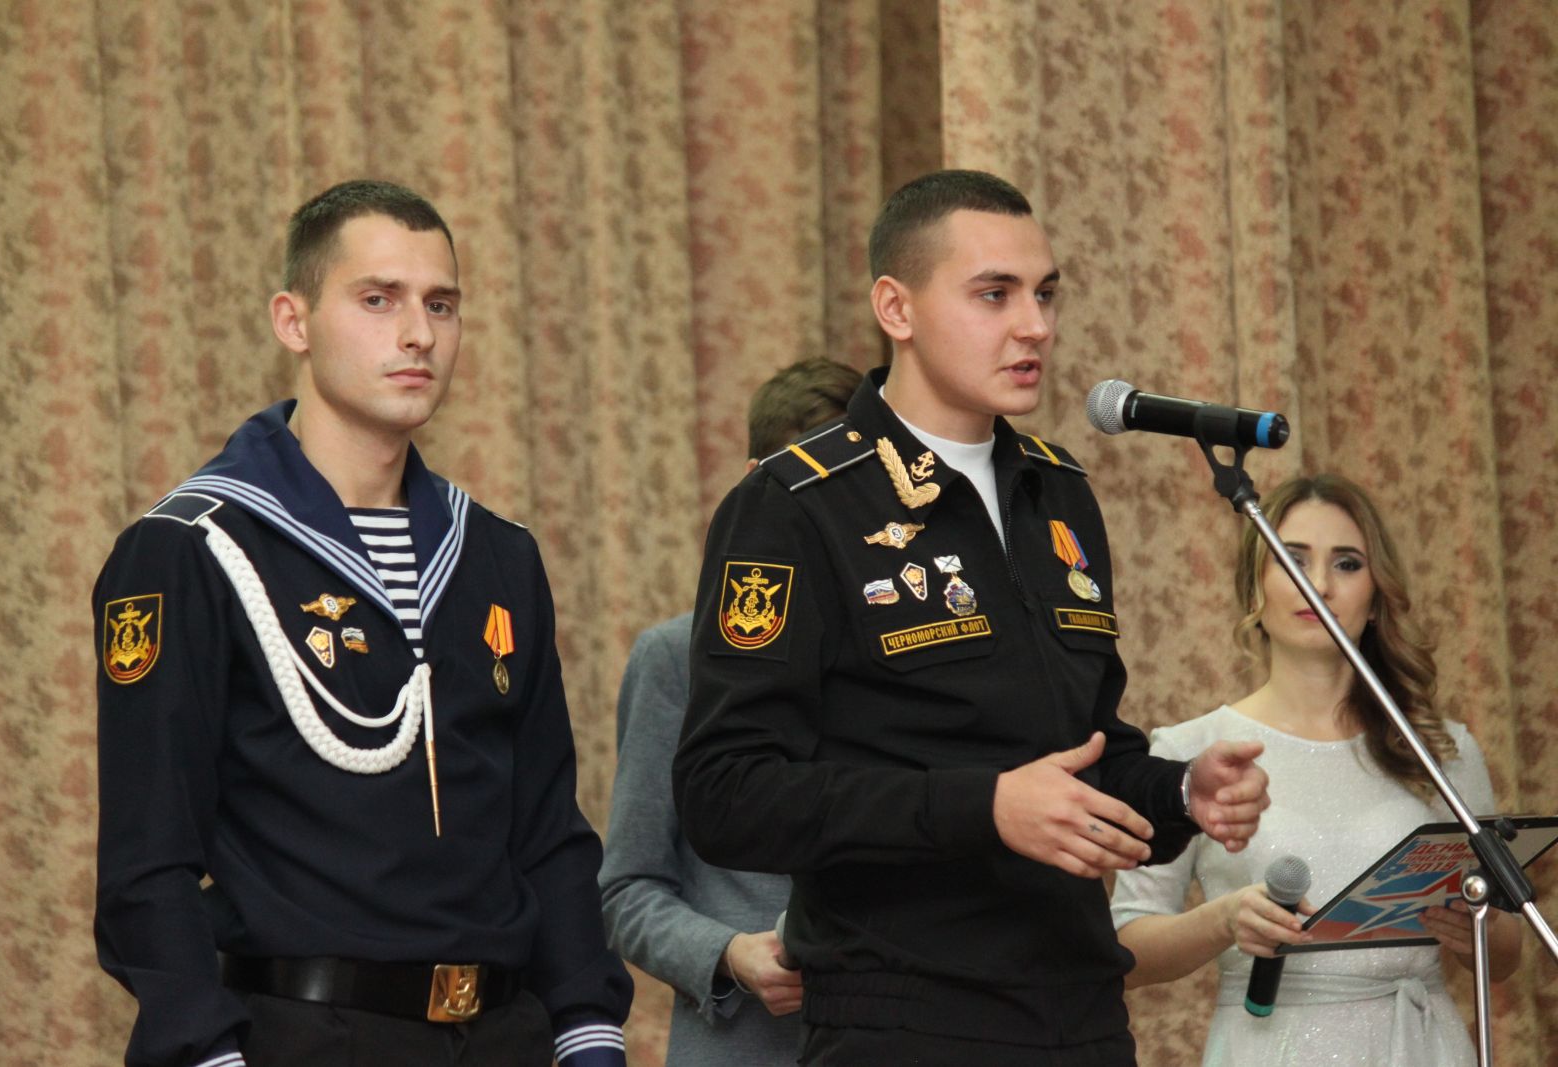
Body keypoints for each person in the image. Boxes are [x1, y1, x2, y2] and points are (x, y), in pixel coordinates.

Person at [671, 169, 1272, 1065]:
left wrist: (1181, 791)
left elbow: (1085, 752)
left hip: (1080, 1013)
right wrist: (982, 806)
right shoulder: (797, 504)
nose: (1036, 326)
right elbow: (727, 793)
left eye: (1045, 293)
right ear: (897, 308)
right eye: (995, 294)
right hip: (904, 1019)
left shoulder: (1058, 491)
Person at [93, 180, 631, 1067]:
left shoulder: (496, 553)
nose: (418, 334)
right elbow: (148, 860)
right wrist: (203, 1051)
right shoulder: (192, 548)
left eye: (441, 304)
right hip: (305, 1033)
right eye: (378, 300)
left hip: (505, 1034)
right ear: (293, 321)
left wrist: (590, 1033)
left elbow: (547, 831)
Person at [1110, 473, 1523, 1065]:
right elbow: (1126, 953)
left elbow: (1505, 957)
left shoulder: (1442, 748)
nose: (1320, 584)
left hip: (1420, 1044)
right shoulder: (1190, 749)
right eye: (1293, 559)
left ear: (1376, 598)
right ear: (1255, 584)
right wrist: (1223, 921)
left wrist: (1478, 928)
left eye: (1347, 564)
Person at [600, 358, 860, 1066]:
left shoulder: (916, 658)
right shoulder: (676, 658)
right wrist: (729, 953)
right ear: (755, 487)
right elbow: (627, 889)